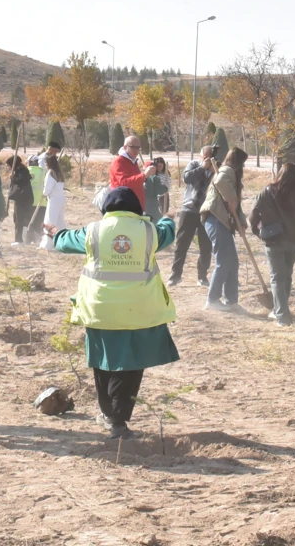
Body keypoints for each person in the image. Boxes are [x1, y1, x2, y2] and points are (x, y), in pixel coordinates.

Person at [44, 187, 178, 440]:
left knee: (103, 361)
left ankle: (110, 416)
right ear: (137, 208)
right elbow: (168, 233)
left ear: (106, 209)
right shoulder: (149, 231)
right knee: (132, 364)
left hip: (101, 310)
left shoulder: (94, 231)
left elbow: (65, 241)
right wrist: (169, 217)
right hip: (139, 310)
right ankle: (117, 418)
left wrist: (56, 232)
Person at [248, 163, 295, 326]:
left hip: (273, 240)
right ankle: (280, 310)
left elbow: (253, 215)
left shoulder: (266, 192)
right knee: (286, 275)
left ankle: (281, 315)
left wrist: (259, 232)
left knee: (278, 278)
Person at [201, 147, 248, 313]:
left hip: (223, 222)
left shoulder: (231, 175)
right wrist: (232, 198)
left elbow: (236, 206)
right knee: (223, 261)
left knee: (232, 261)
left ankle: (231, 300)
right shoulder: (227, 170)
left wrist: (241, 221)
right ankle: (212, 299)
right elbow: (220, 182)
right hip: (215, 219)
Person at [168, 145, 215, 288]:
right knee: (182, 243)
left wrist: (213, 169)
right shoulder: (194, 164)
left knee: (205, 246)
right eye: (204, 156)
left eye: (210, 156)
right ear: (200, 155)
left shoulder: (215, 168)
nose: (207, 159)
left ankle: (202, 276)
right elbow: (186, 178)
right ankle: (175, 276)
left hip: (206, 211)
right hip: (188, 209)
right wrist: (202, 167)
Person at [109, 135, 148, 210]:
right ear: (125, 147)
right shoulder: (118, 162)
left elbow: (135, 181)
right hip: (124, 206)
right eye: (133, 147)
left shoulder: (133, 161)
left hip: (135, 205)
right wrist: (144, 175)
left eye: (138, 148)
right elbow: (123, 183)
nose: (136, 150)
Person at [5, 155, 34, 246]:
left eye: (8, 165)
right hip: (22, 198)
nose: (8, 167)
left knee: (19, 219)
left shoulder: (22, 171)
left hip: (23, 199)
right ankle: (24, 239)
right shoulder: (20, 170)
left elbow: (21, 181)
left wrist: (13, 178)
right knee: (18, 218)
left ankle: (19, 240)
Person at [40, 155, 67, 251]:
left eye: (46, 163)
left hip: (54, 200)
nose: (45, 165)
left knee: (49, 222)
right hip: (61, 199)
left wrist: (44, 194)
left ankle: (47, 245)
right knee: (60, 222)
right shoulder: (59, 173)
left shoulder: (50, 173)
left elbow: (47, 188)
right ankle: (64, 242)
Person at [25, 156, 47, 244]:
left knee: (28, 222)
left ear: (30, 162)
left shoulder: (26, 171)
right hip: (42, 201)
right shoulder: (43, 172)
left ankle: (29, 239)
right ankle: (39, 240)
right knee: (39, 222)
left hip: (29, 201)